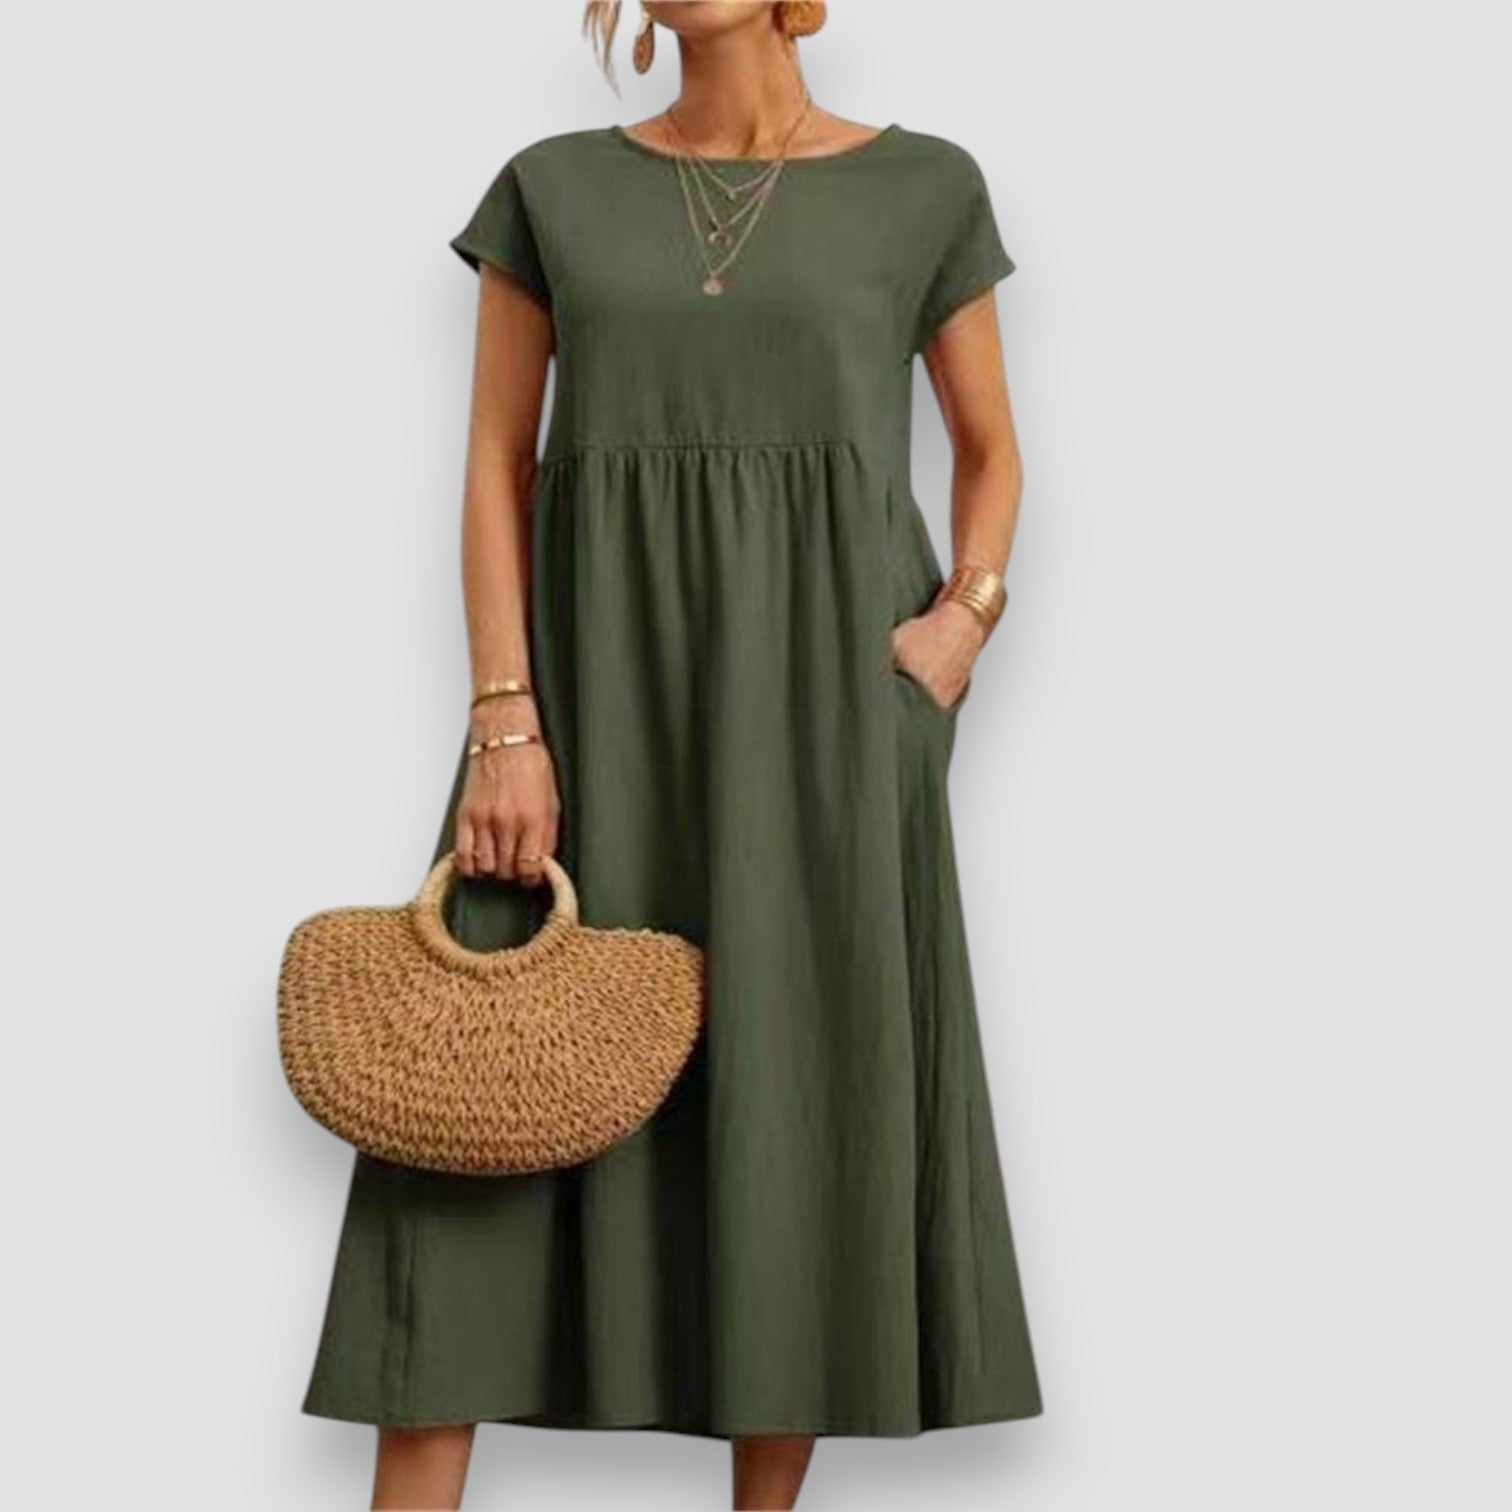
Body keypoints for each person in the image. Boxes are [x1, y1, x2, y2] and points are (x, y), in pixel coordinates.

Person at [299, 4, 1042, 1507]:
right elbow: (495, 464)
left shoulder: (927, 188)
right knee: (472, 1102)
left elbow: (990, 450)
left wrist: (963, 619)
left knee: (802, 1089)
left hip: (829, 719)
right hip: (586, 700)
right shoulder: (553, 188)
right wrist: (504, 717)